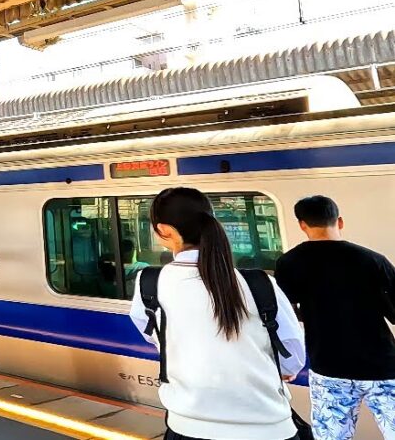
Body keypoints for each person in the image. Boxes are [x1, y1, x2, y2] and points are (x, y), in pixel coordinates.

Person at [128, 187, 305, 440]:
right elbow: (291, 360)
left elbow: (158, 337)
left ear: (163, 230)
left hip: (189, 428)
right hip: (270, 428)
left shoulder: (149, 284)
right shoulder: (260, 283)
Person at [275, 195, 395, 439]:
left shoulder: (289, 263)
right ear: (339, 221)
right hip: (383, 367)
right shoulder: (373, 260)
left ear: (302, 225)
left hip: (329, 368)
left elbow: (284, 313)